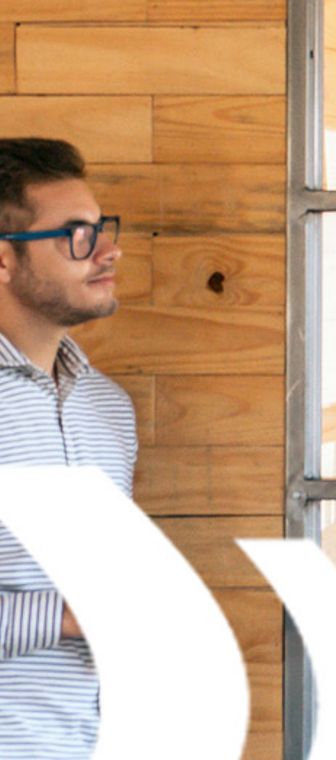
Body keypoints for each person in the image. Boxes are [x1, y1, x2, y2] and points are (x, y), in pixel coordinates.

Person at [0, 137, 133, 756]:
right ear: (4, 261)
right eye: (76, 236)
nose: (109, 251)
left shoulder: (107, 409)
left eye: (102, 228)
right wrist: (65, 616)